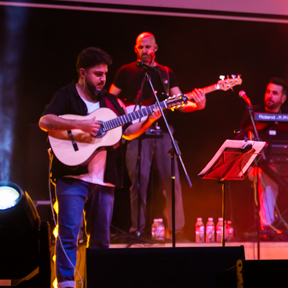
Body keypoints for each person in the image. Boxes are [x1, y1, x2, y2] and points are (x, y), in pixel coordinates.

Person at [39, 47, 162, 288]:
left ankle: (96, 281)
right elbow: (45, 121)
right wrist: (81, 125)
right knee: (69, 234)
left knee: (101, 240)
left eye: (105, 74)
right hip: (72, 176)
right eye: (98, 74)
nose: (103, 79)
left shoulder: (111, 102)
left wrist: (149, 119)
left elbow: (127, 133)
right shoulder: (66, 95)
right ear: (83, 73)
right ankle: (65, 284)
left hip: (104, 179)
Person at [109, 32, 206, 238]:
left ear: (155, 48)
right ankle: (138, 231)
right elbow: (109, 99)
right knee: (138, 184)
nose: (145, 50)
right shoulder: (125, 71)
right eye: (141, 47)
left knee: (172, 183)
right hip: (137, 134)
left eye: (148, 47)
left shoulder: (166, 73)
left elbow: (180, 102)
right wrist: (123, 112)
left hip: (163, 134)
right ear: (136, 49)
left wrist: (198, 105)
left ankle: (176, 230)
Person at [240, 78, 288, 235]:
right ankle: (267, 227)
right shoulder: (253, 112)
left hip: (285, 166)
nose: (270, 96)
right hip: (259, 167)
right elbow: (242, 139)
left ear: (283, 99)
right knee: (267, 175)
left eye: (275, 93)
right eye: (268, 92)